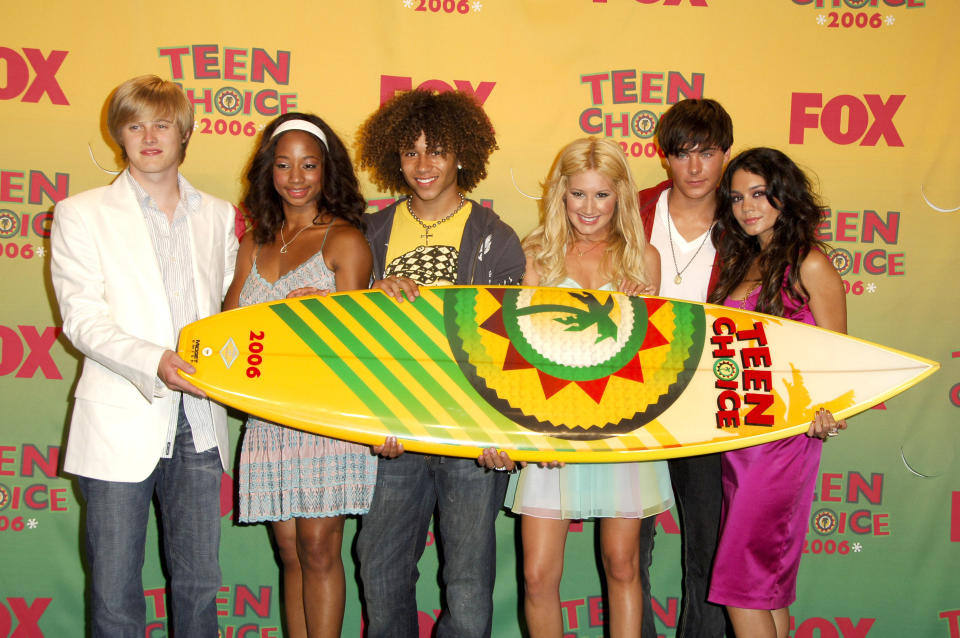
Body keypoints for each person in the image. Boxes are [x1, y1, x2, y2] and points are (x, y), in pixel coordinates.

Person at [49, 75, 238, 636]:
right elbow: (82, 319)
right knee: (113, 594)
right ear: (119, 137)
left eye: (161, 124)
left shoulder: (220, 216)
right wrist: (154, 360)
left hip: (201, 422)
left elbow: (235, 312)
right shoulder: (80, 214)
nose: (149, 137)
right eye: (134, 125)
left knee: (200, 588)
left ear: (184, 133)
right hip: (120, 417)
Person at [353, 89, 525, 638]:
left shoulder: (496, 239)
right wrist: (367, 295)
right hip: (392, 432)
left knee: (470, 588)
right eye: (410, 151)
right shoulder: (369, 233)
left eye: (437, 151)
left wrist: (498, 432)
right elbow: (350, 339)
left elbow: (507, 349)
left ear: (462, 156)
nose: (423, 165)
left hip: (468, 436)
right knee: (379, 570)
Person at [495, 137, 669, 638]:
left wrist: (645, 310)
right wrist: (532, 434)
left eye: (601, 195)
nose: (588, 209)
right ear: (560, 196)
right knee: (537, 575)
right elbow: (516, 360)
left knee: (623, 565)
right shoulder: (535, 257)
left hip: (622, 430)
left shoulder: (644, 259)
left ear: (620, 196)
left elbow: (654, 359)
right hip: (551, 428)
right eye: (577, 195)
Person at [223, 112, 376, 638]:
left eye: (308, 165)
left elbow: (358, 345)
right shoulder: (253, 243)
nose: (295, 177)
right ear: (268, 171)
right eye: (284, 164)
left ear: (326, 171)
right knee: (289, 552)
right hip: (267, 420)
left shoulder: (345, 241)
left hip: (325, 418)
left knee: (317, 548)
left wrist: (326, 312)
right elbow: (231, 330)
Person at [706, 147, 846, 638]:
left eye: (760, 194)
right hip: (739, 438)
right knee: (765, 585)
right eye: (738, 197)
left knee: (739, 587)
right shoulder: (742, 259)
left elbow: (837, 357)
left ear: (785, 194)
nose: (748, 207)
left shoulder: (809, 263)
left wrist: (829, 408)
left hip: (783, 441)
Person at [636, 98, 733, 638]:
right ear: (664, 155)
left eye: (709, 153)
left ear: (726, 155)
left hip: (712, 405)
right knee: (627, 551)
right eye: (683, 153)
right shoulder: (632, 208)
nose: (695, 168)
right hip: (634, 396)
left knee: (710, 550)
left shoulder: (746, 218)